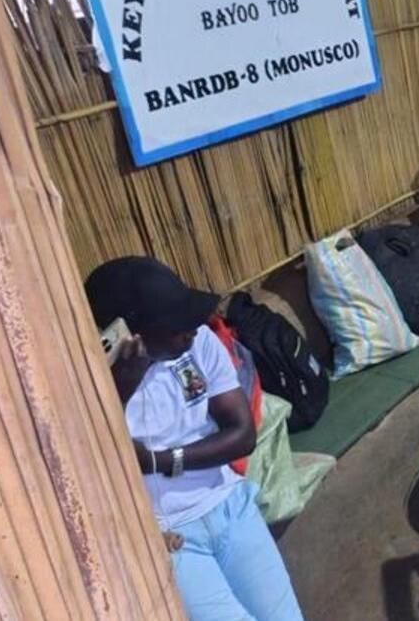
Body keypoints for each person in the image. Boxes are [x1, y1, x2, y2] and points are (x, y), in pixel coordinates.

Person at [84, 257, 304, 621]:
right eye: (176, 326)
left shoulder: (199, 345)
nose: (192, 331)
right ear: (127, 333)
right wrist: (120, 391)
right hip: (171, 540)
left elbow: (242, 435)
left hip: (230, 506)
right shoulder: (96, 384)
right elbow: (93, 465)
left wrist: (159, 461)